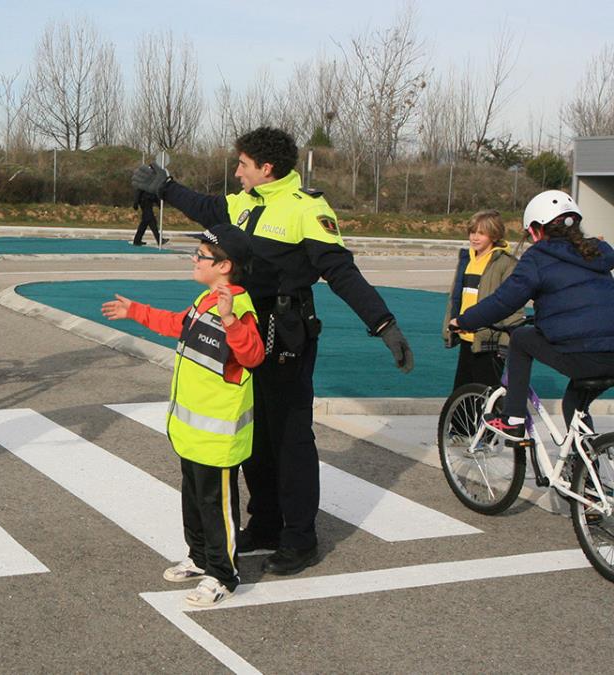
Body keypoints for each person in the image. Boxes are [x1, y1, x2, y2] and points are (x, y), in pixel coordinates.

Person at [132, 126, 414, 576]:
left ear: (266, 168)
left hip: (284, 333)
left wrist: (382, 322)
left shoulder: (307, 209)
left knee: (289, 439)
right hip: (240, 326)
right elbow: (206, 207)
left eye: (243, 165)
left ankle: (300, 537)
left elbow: (341, 271)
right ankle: (264, 523)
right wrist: (166, 187)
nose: (236, 172)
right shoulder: (243, 201)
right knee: (254, 435)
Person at [101, 234, 263, 607]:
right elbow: (179, 325)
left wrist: (230, 320)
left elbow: (253, 356)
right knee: (193, 497)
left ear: (224, 266)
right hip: (193, 430)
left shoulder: (237, 305)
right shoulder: (206, 299)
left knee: (216, 504)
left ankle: (223, 574)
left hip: (219, 434)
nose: (194, 260)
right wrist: (137, 312)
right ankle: (200, 556)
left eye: (201, 255)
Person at [453, 190, 614, 439]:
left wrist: (463, 320)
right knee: (574, 403)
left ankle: (513, 417)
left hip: (583, 355)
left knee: (522, 338)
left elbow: (502, 301)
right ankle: (583, 466)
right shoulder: (595, 252)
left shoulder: (538, 258)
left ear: (538, 230)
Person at [442, 210, 519, 391]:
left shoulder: (506, 263)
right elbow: (456, 298)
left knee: (486, 395)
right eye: (472, 232)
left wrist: (505, 342)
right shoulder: (467, 260)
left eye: (481, 233)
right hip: (466, 336)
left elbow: (512, 305)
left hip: (489, 341)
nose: (475, 237)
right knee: (461, 394)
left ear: (494, 235)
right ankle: (458, 421)